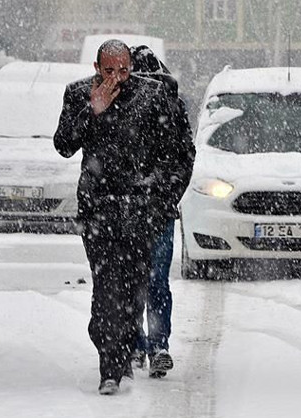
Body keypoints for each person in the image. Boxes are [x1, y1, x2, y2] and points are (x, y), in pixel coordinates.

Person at [54, 39, 195, 395]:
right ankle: (110, 367)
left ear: (131, 67)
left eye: (124, 70)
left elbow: (178, 153)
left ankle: (124, 347)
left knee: (134, 290)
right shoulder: (78, 94)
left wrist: (161, 199)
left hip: (140, 212)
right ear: (96, 68)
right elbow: (64, 144)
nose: (117, 78)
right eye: (109, 70)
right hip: (98, 211)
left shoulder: (152, 96)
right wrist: (92, 111)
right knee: (105, 289)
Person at [127, 45, 192, 379]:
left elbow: (184, 156)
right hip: (143, 209)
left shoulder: (169, 106)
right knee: (147, 280)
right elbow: (185, 157)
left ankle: (152, 344)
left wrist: (166, 193)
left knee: (147, 279)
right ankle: (145, 344)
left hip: (152, 209)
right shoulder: (167, 104)